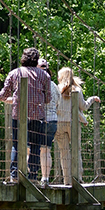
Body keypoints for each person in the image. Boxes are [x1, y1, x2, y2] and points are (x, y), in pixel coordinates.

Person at [0, 48, 51, 181]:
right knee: (35, 146)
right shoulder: (45, 75)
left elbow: (4, 94)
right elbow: (47, 99)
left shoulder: (14, 73)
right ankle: (33, 176)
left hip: (18, 116)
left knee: (17, 145)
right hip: (37, 116)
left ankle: (14, 175)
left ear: (23, 58)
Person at [55, 66, 100, 186]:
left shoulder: (56, 89)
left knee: (63, 152)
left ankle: (67, 180)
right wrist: (91, 99)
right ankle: (78, 178)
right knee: (76, 150)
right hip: (73, 124)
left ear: (62, 77)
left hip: (58, 124)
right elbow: (83, 107)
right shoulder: (77, 90)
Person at [38, 58, 59, 186]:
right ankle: (45, 178)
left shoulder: (36, 83)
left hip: (40, 120)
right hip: (53, 120)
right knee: (46, 150)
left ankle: (31, 176)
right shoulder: (54, 86)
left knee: (30, 149)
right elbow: (58, 103)